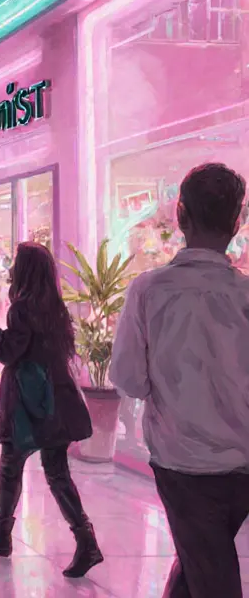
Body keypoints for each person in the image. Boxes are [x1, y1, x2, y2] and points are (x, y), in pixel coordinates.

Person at [110, 163, 249, 598]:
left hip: (181, 461)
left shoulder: (150, 291)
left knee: (210, 572)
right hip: (242, 462)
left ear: (180, 215)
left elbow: (128, 379)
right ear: (238, 221)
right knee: (200, 558)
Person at [0, 242, 100, 578]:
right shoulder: (54, 307)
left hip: (28, 405)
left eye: (15, 263)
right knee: (57, 473)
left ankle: (2, 534)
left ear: (26, 269)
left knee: (10, 467)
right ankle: (86, 540)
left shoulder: (21, 309)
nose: (11, 269)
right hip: (58, 400)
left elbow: (11, 351)